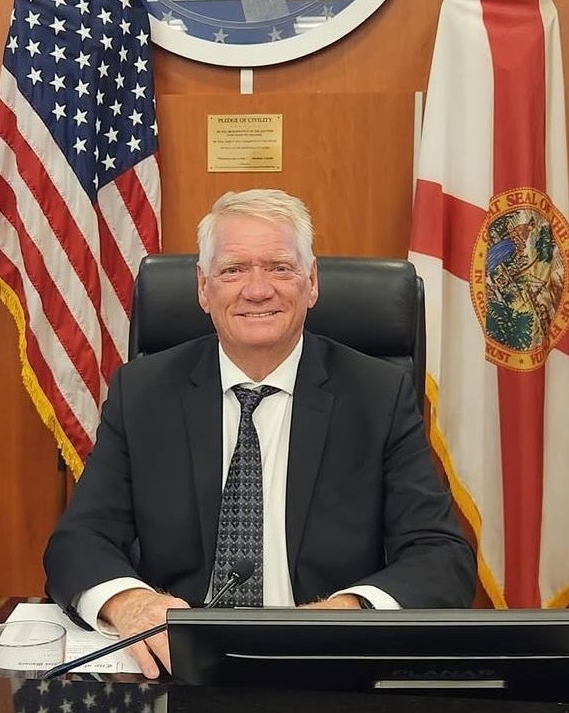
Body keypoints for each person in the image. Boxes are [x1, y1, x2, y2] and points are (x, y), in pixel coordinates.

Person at [44, 189, 476, 678]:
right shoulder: (143, 393)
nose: (257, 289)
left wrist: (347, 613)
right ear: (203, 288)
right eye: (233, 270)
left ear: (311, 283)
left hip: (325, 665)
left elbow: (441, 555)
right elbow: (79, 539)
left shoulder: (378, 395)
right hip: (176, 666)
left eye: (279, 267)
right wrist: (132, 604)